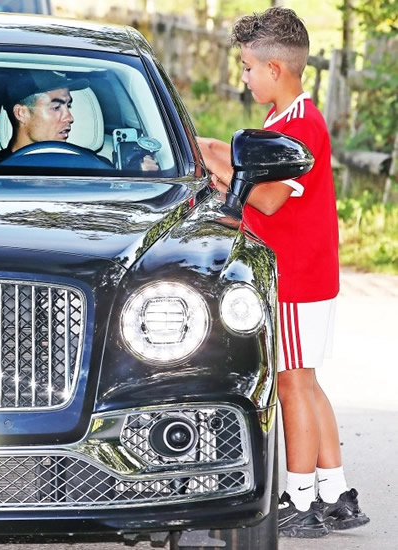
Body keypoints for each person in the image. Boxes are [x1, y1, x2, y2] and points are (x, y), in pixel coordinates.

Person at [197, 7, 369, 539]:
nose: (243, 77)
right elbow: (262, 185)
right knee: (308, 383)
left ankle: (300, 498)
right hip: (311, 275)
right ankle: (336, 491)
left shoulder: (298, 126)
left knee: (290, 386)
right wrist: (222, 161)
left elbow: (268, 200)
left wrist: (213, 164)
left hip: (294, 279)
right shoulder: (288, 121)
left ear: (275, 69)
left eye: (247, 67)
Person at [0, 70, 158, 171]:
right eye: (56, 107)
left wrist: (143, 175)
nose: (70, 118)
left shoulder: (100, 168)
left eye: (68, 106)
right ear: (21, 113)